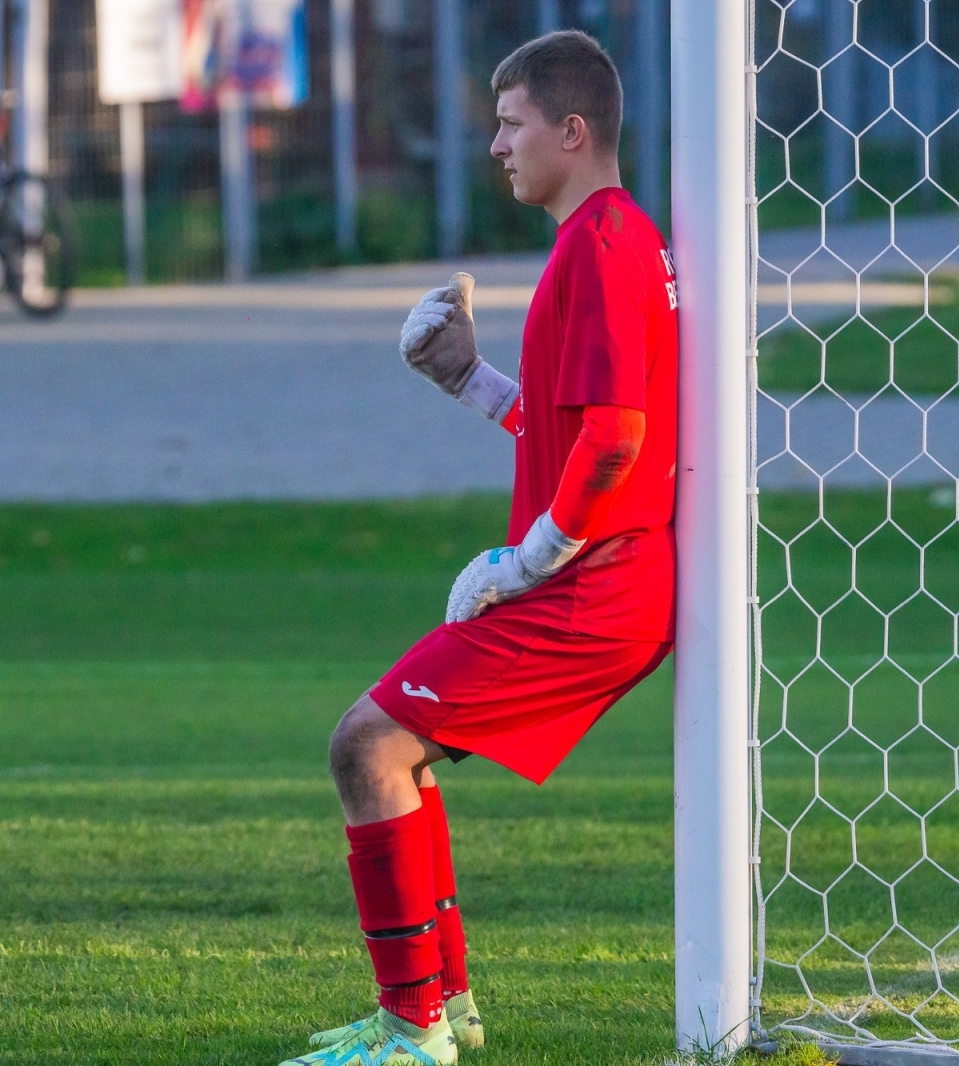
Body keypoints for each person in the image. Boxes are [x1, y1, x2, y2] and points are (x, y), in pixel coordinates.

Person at [284, 29, 679, 1066]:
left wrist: (525, 562)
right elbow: (569, 432)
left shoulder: (597, 245)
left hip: (595, 589)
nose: (495, 145)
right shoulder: (613, 238)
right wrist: (468, 376)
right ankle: (439, 1010)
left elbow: (615, 442)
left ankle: (413, 1034)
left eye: (510, 124)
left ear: (572, 130)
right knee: (398, 754)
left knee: (365, 745)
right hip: (601, 577)